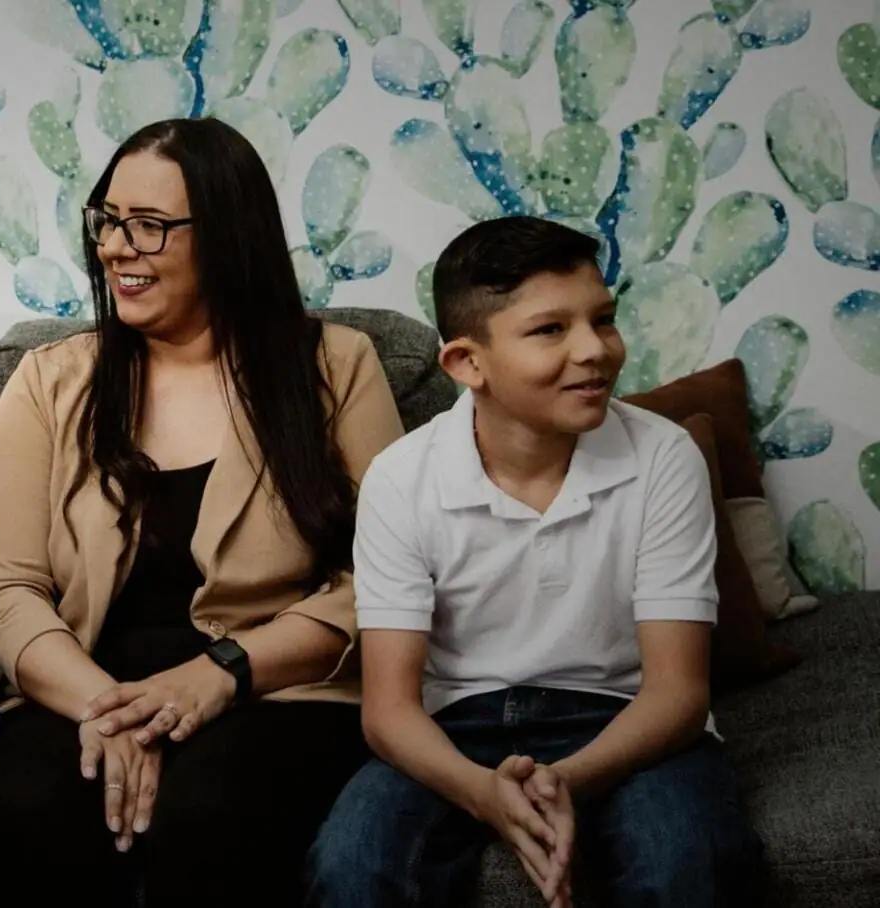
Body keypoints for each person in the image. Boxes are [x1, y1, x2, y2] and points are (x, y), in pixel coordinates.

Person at [0, 116, 405, 906]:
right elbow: (6, 593)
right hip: (85, 683)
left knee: (207, 813)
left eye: (149, 227)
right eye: (108, 220)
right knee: (26, 807)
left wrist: (222, 674)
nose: (116, 248)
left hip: (272, 691)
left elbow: (385, 580)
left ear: (228, 235)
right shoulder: (46, 382)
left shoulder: (339, 368)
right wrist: (107, 711)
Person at [306, 216, 766, 907]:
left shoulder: (665, 457)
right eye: (550, 330)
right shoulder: (402, 478)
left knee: (689, 861)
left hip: (626, 718)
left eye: (603, 320)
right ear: (467, 364)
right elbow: (390, 712)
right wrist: (485, 794)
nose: (595, 351)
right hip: (455, 725)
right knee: (352, 866)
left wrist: (562, 783)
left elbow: (677, 692)